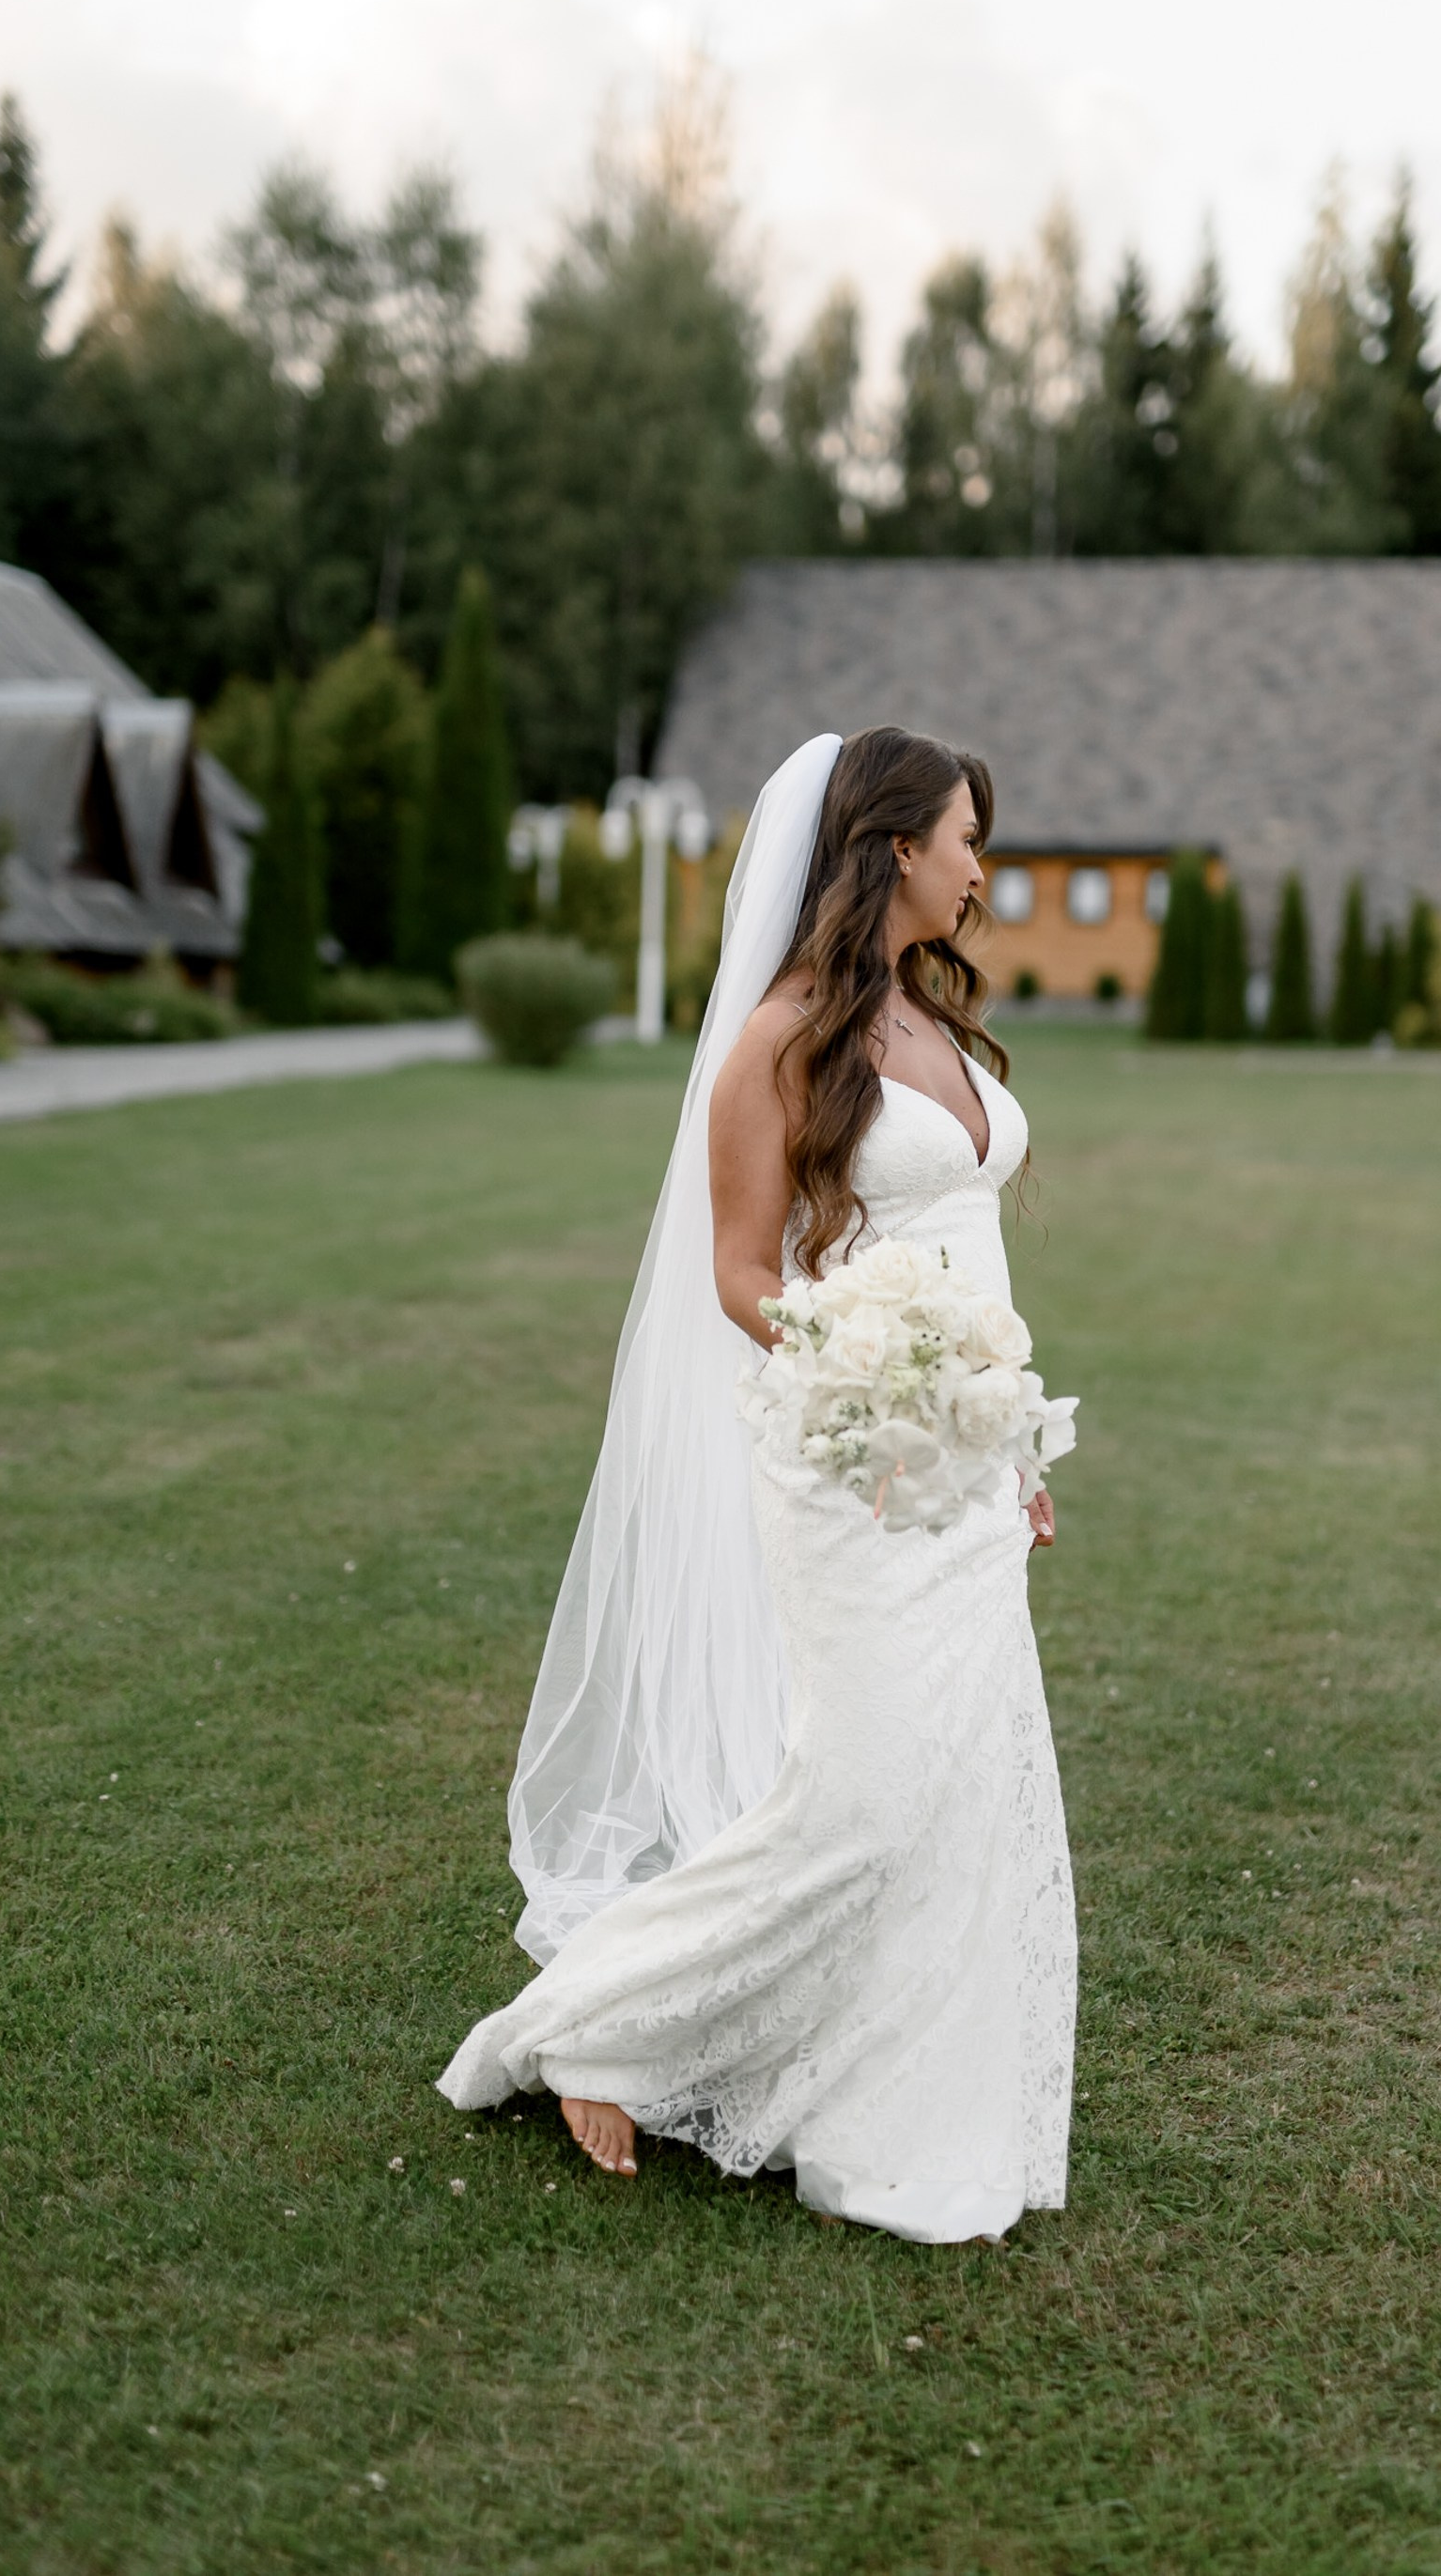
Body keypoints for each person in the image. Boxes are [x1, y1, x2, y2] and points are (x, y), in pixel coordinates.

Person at [437, 726, 1077, 2243]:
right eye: (967, 837)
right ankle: (591, 2022)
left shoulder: (929, 1022)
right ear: (893, 849)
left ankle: (906, 2095)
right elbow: (740, 1271)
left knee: (961, 1788)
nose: (985, 866)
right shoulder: (784, 1038)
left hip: (970, 1464)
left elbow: (967, 1253)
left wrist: (1003, 1435)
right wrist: (881, 1381)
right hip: (853, 1454)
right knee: (855, 1795)